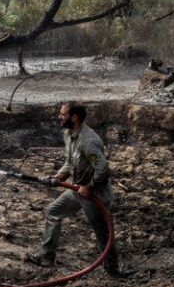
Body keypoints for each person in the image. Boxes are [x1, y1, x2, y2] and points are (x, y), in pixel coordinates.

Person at [28, 102, 126, 277]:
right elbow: (70, 161)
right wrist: (59, 177)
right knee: (53, 212)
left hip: (94, 195)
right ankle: (48, 256)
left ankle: (113, 271)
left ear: (75, 117)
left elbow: (103, 169)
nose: (59, 117)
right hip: (76, 189)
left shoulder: (89, 141)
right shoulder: (68, 134)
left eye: (63, 114)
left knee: (103, 233)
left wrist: (89, 187)